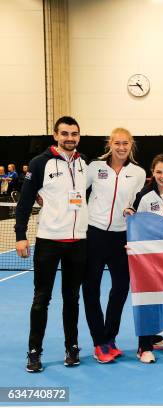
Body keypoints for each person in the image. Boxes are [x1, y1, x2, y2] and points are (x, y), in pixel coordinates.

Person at [15, 116, 88, 373]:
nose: (70, 138)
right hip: (48, 242)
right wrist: (20, 234)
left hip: (78, 242)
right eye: (65, 133)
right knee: (41, 299)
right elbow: (24, 202)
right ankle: (34, 352)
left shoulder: (83, 164)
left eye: (74, 134)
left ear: (79, 136)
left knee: (72, 299)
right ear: (56, 135)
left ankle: (72, 347)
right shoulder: (40, 163)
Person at [82, 128, 146, 364]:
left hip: (122, 237)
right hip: (94, 234)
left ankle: (110, 337)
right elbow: (77, 190)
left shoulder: (138, 173)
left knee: (120, 289)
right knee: (91, 289)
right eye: (117, 143)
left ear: (132, 145)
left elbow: (139, 201)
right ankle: (99, 341)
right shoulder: (95, 168)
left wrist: (134, 210)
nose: (121, 147)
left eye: (126, 143)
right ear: (110, 143)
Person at [127, 154, 163, 363]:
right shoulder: (146, 197)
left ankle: (156, 338)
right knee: (147, 301)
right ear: (153, 173)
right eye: (159, 172)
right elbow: (138, 226)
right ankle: (144, 346)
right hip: (150, 259)